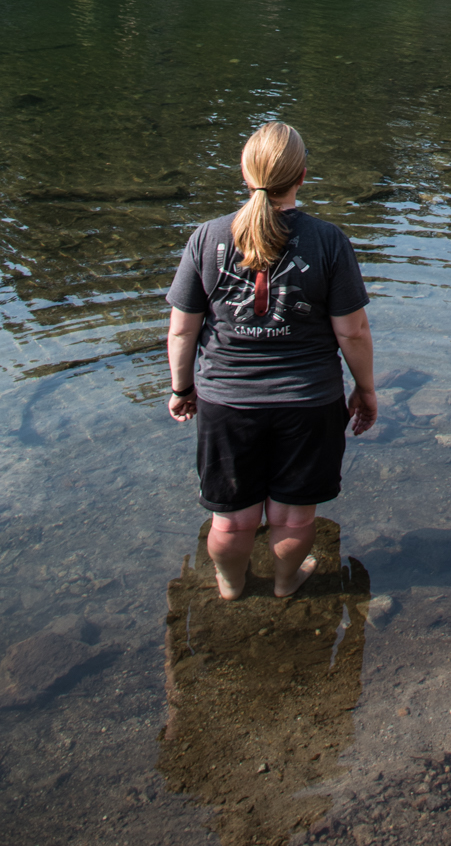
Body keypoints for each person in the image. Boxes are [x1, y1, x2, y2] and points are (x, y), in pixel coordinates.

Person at [165, 120, 377, 600]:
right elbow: (353, 330)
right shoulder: (327, 240)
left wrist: (181, 389)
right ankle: (286, 583)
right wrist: (365, 389)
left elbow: (182, 328)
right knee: (292, 515)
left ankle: (231, 583)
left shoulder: (207, 238)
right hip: (308, 402)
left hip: (227, 404)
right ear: (302, 176)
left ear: (244, 173)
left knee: (232, 518)